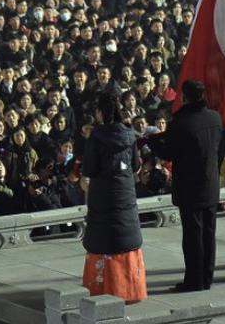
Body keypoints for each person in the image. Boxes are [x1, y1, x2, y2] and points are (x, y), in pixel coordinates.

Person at [148, 80, 222, 292]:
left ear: (185, 97)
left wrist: (153, 143)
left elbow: (169, 152)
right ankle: (207, 277)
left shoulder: (181, 122)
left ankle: (194, 279)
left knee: (192, 235)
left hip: (190, 186)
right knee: (208, 233)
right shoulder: (215, 118)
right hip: (210, 183)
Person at [81, 93, 146, 302]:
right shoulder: (129, 135)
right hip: (125, 193)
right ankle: (130, 289)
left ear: (100, 113)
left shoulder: (96, 137)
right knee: (124, 236)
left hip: (103, 195)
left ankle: (104, 290)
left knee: (103, 239)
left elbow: (90, 168)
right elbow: (136, 165)